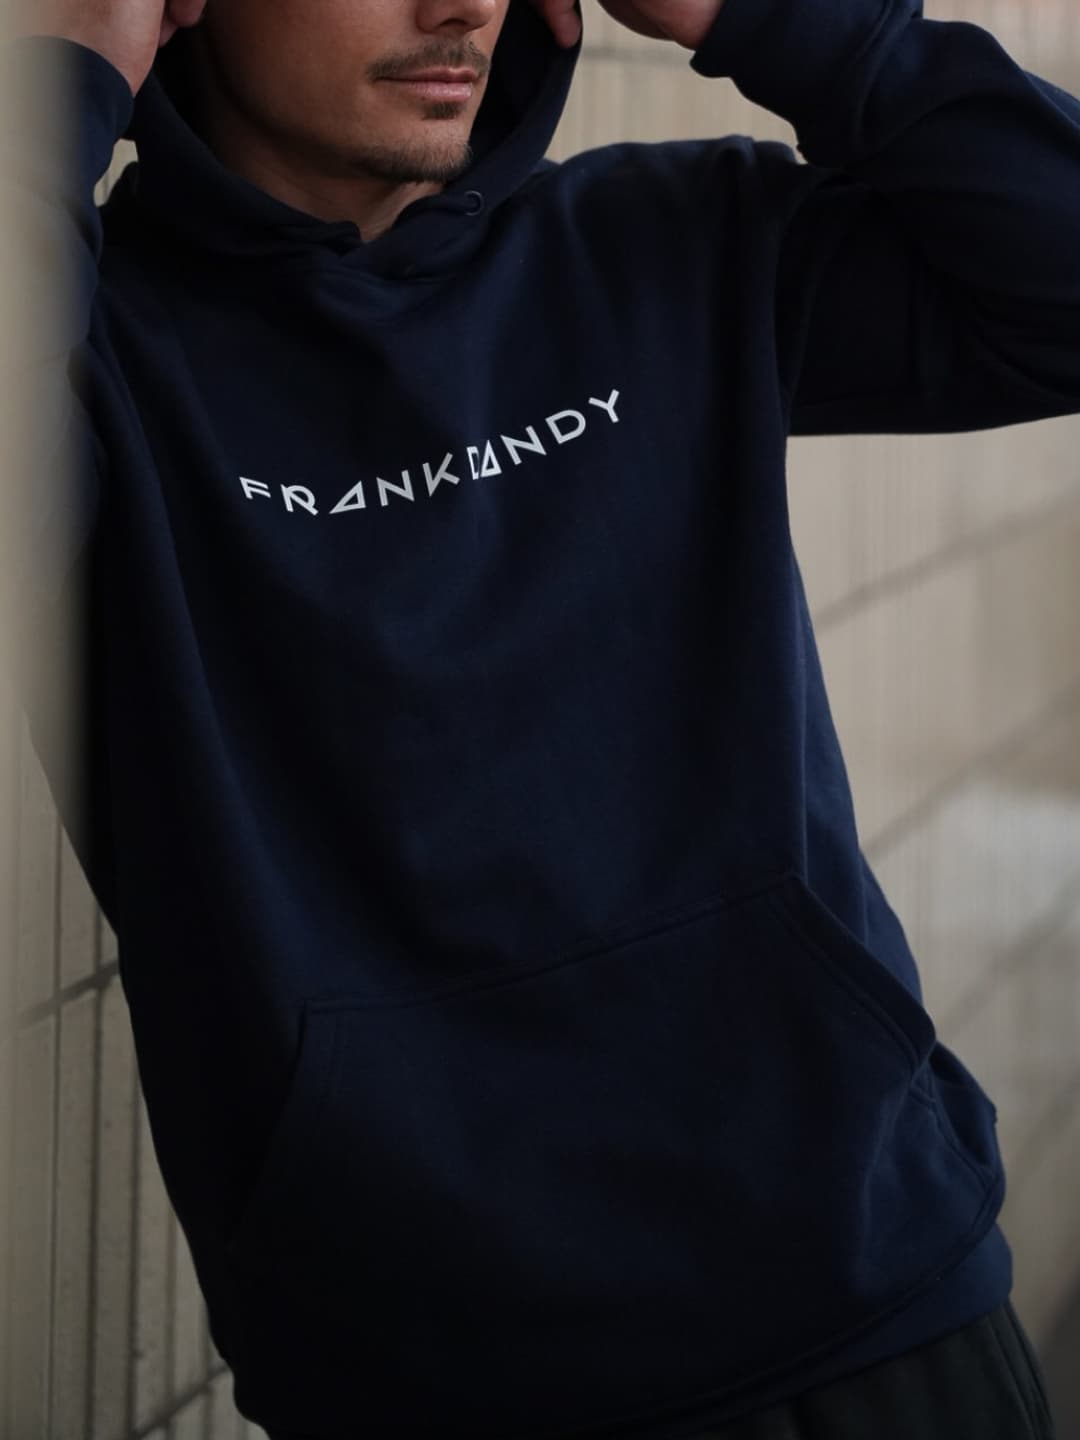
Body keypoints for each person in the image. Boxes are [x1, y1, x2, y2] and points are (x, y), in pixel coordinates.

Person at [1, 0, 1075, 1435]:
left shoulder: (665, 241)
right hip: (435, 1381)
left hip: (872, 1311)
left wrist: (781, 19)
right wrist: (63, 79)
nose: (462, 5)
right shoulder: (92, 355)